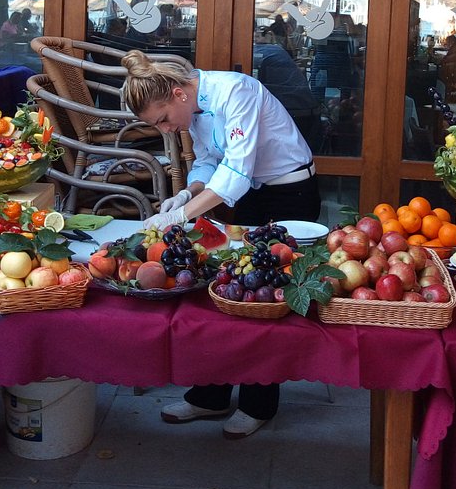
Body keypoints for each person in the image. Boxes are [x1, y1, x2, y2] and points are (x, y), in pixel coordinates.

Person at [121, 49, 319, 439]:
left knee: (261, 300)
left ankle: (258, 404)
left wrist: (180, 216)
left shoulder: (235, 91)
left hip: (290, 194)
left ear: (178, 93)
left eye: (163, 119)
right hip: (252, 195)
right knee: (224, 291)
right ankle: (210, 395)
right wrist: (186, 193)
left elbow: (236, 172)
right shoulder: (193, 106)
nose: (166, 129)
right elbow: (209, 162)